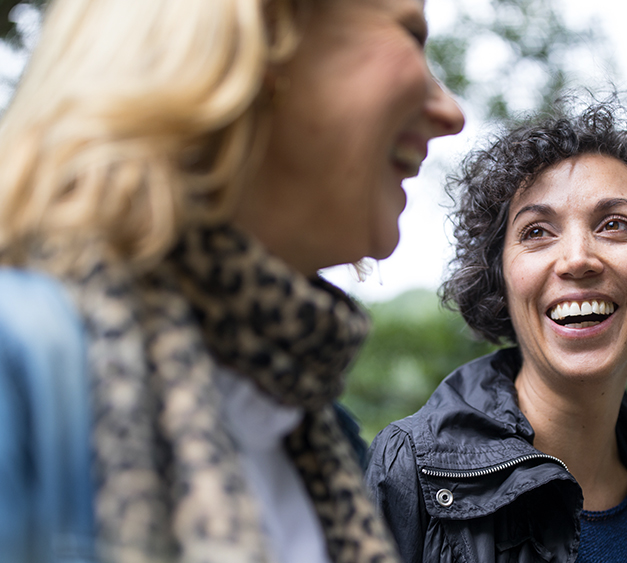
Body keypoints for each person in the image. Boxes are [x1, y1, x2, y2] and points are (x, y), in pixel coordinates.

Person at [0, 0, 464, 561]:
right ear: (261, 33)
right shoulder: (18, 367)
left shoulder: (314, 436)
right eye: (412, 34)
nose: (450, 112)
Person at [365, 100, 627, 562]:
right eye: (536, 231)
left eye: (615, 224)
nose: (577, 259)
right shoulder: (410, 469)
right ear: (501, 277)